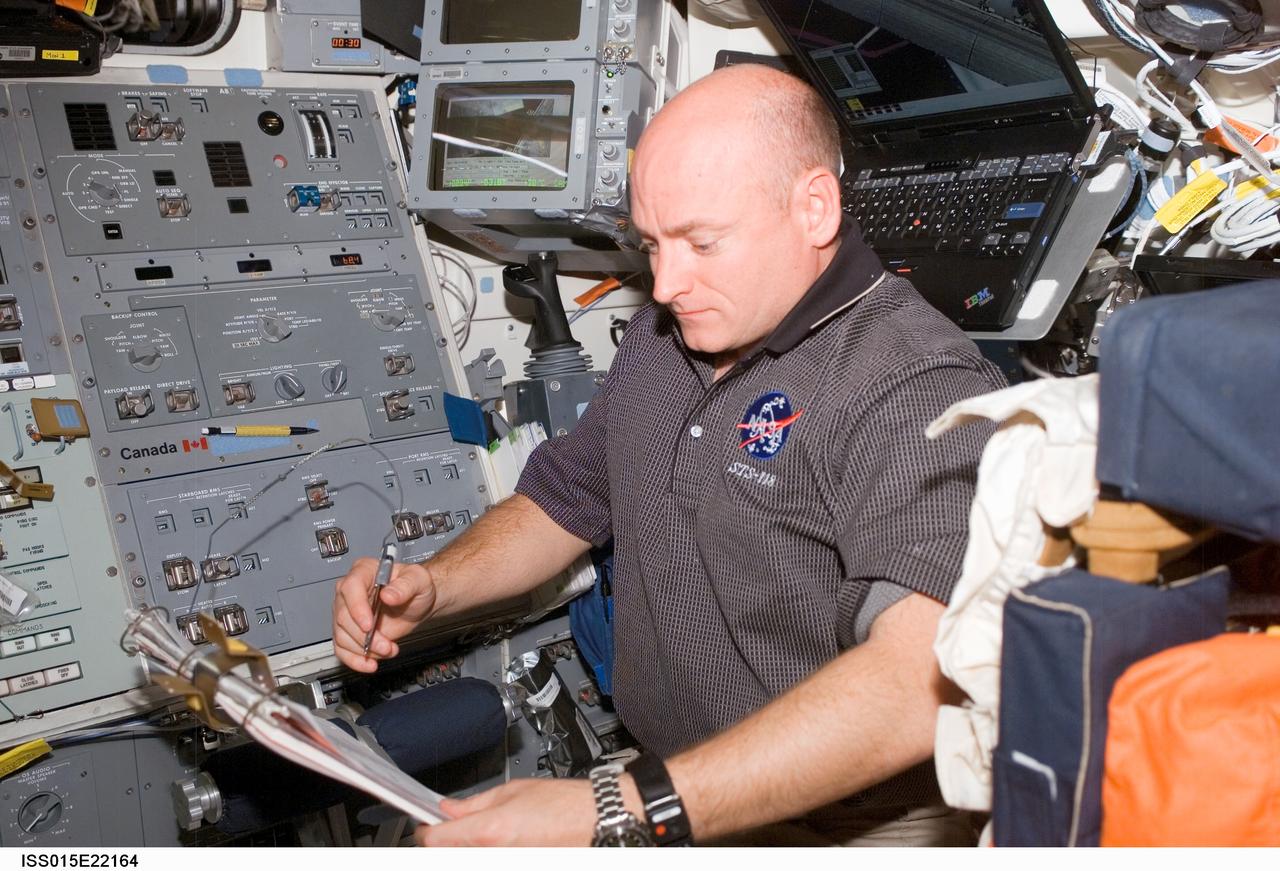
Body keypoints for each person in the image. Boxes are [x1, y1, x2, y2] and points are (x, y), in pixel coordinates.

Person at [332, 63, 1006, 846]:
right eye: (651, 242)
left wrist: (615, 805)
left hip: (848, 818)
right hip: (673, 779)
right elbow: (568, 498)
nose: (664, 282)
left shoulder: (914, 381)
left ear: (814, 208)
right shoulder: (671, 336)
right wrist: (434, 587)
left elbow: (917, 681)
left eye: (701, 241)